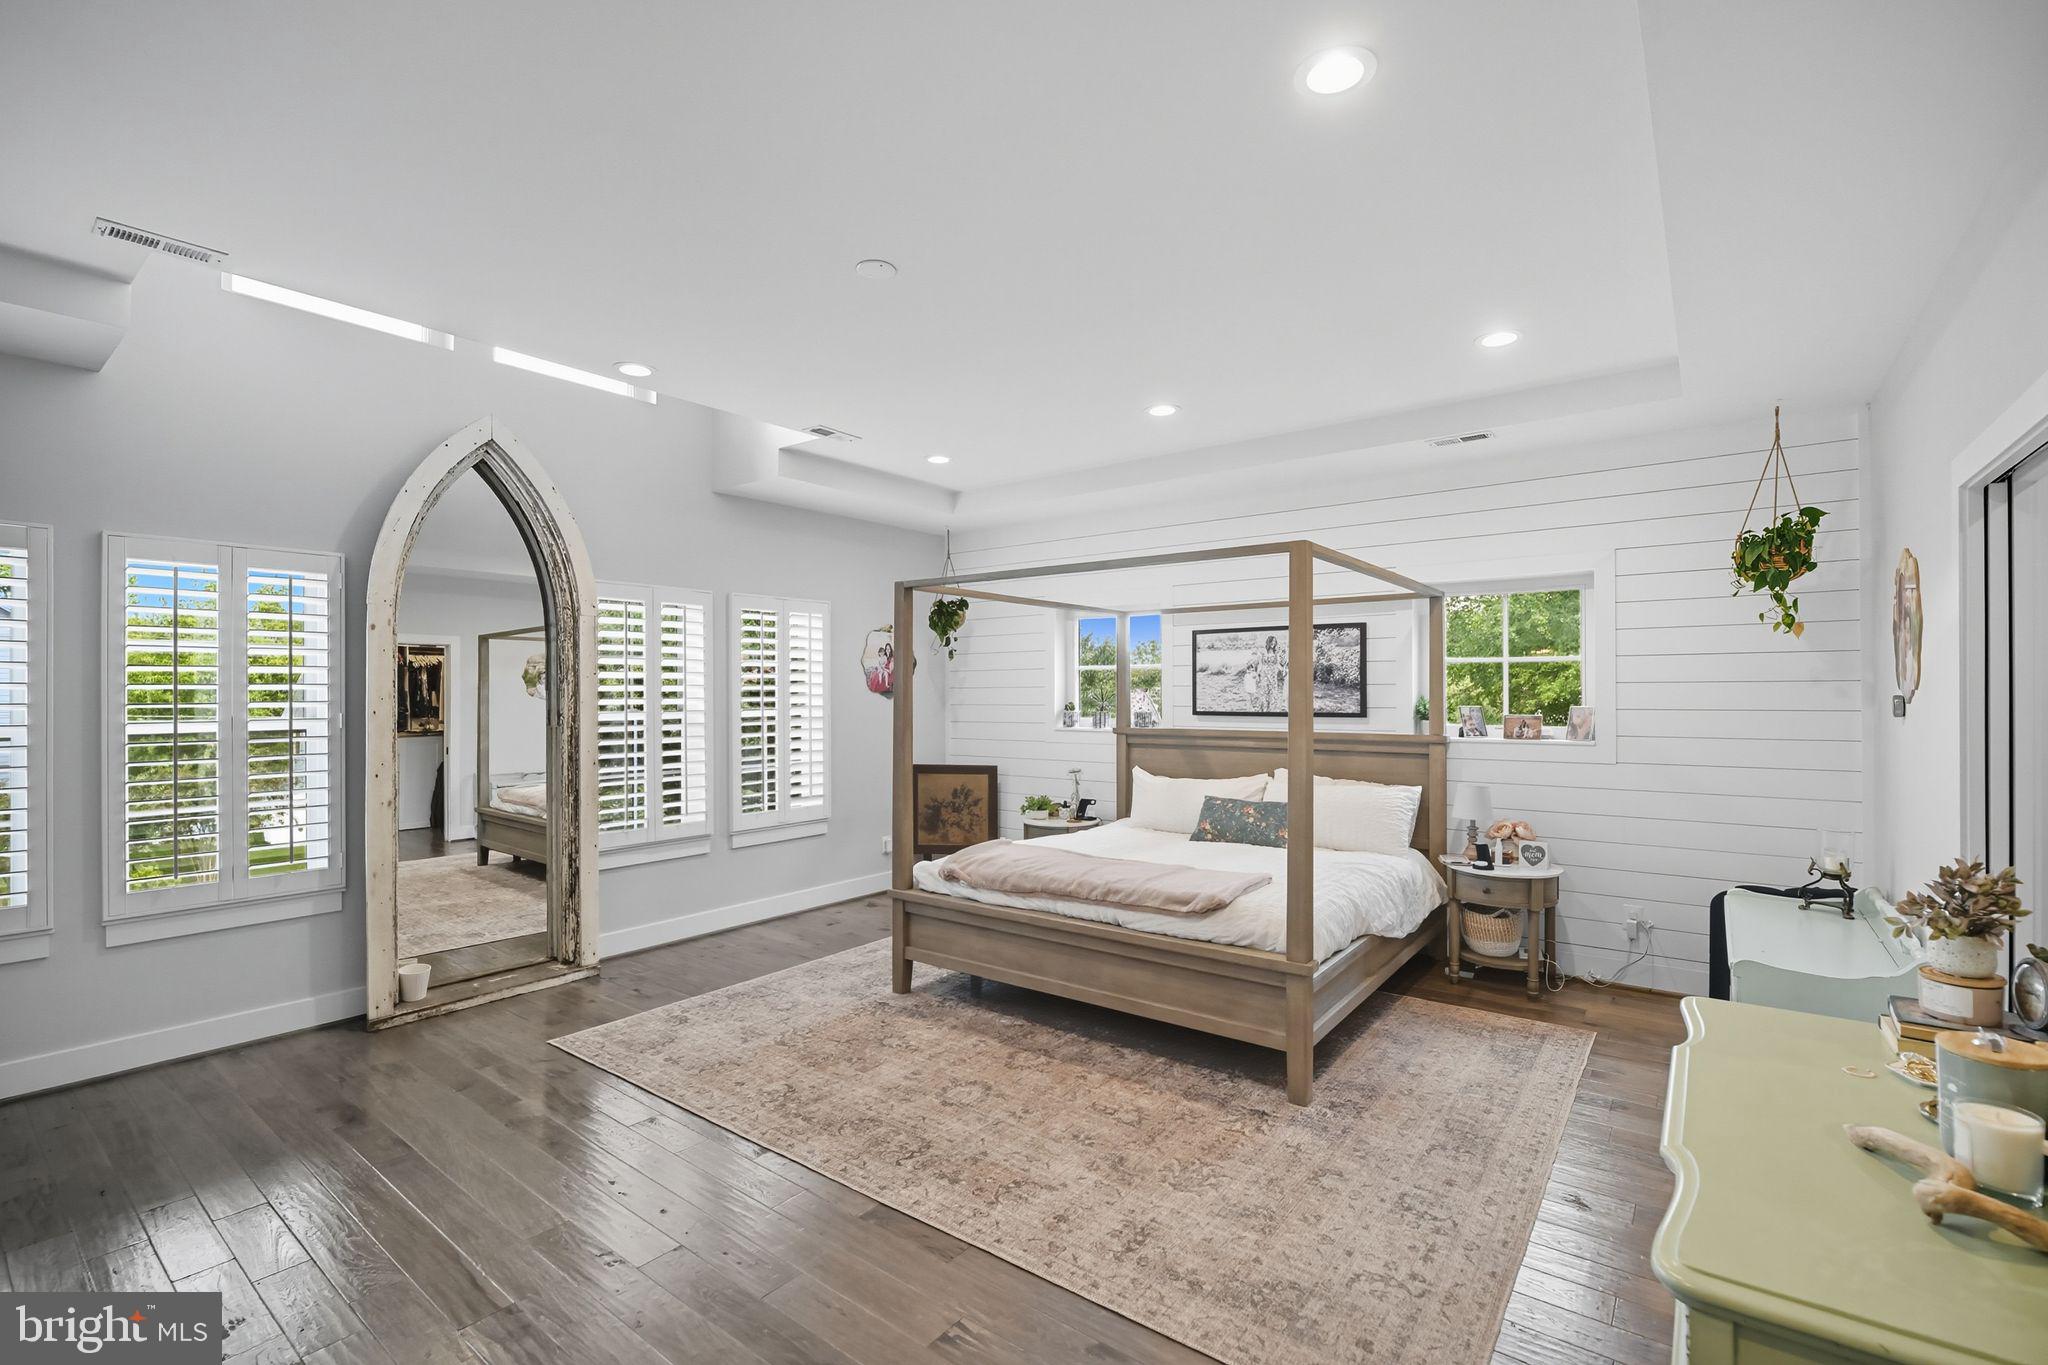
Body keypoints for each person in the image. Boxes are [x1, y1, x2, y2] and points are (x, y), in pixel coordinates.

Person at [1249, 635, 1286, 712]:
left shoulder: (1276, 653)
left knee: (1272, 691)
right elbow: (1260, 664)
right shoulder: (1263, 652)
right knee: (1264, 691)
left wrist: (1283, 670)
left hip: (1272, 675)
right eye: (1272, 641)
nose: (1273, 643)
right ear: (1268, 642)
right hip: (1264, 674)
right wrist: (1257, 675)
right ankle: (1264, 709)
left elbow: (1277, 664)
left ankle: (1271, 710)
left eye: (1275, 642)